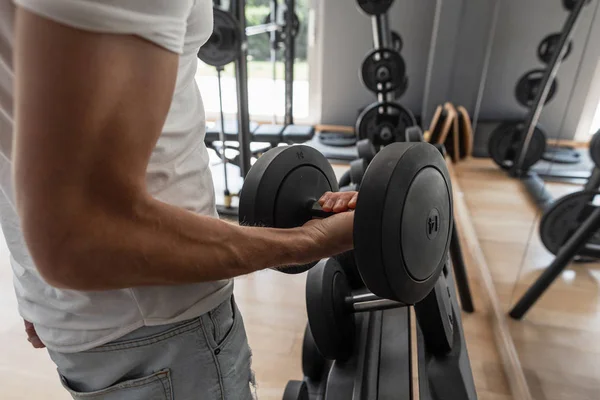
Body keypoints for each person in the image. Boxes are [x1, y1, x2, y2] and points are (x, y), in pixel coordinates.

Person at [1, 1, 356, 398]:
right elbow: (79, 235)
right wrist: (311, 242)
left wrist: (30, 276)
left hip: (88, 315)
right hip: (160, 321)